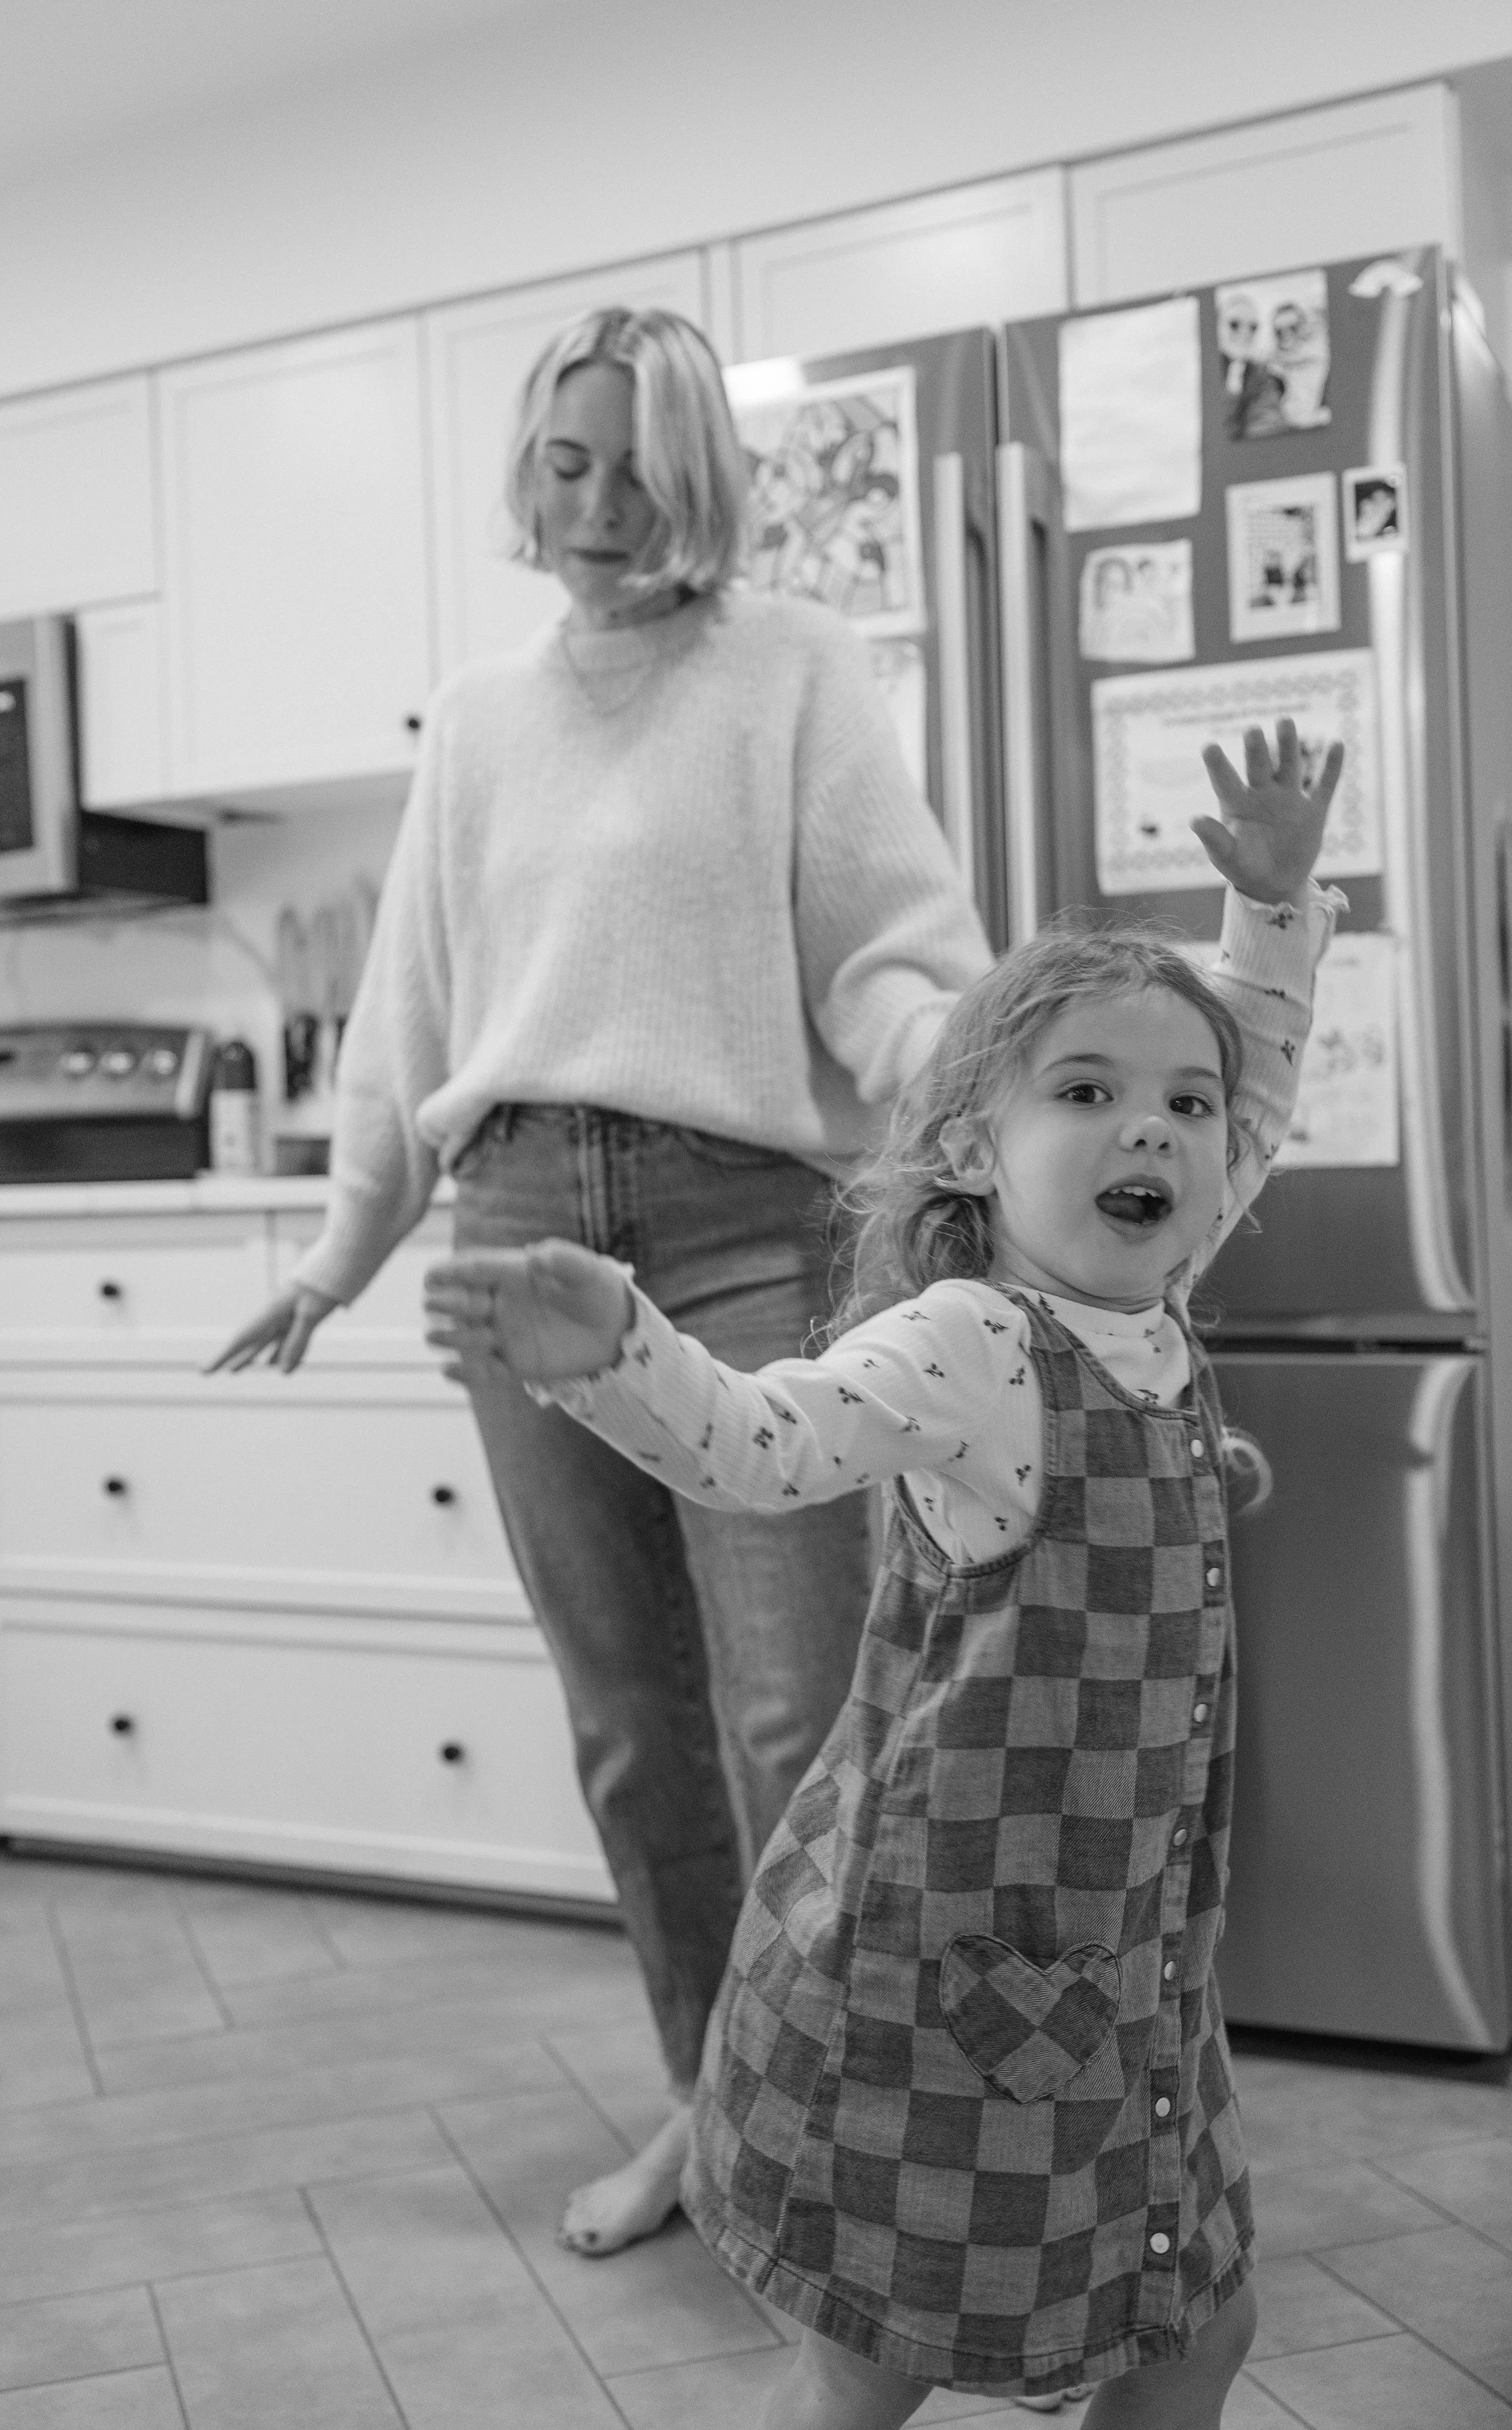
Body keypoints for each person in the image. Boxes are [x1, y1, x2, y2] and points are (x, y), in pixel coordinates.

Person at [423, 718, 1342, 2427]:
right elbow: (755, 1445)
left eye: (1182, 1106)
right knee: (874, 2359)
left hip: (1124, 1976)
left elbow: (1262, 1067)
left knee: (1191, 2328)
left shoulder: (1151, 1301)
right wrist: (612, 1342)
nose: (1151, 1130)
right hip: (941, 1980)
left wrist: (1270, 913)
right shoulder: (970, 1341)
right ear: (976, 1152)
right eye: (1085, 1093)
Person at [208, 304, 992, 2258]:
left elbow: (885, 950)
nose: (595, 499)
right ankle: (716, 2121)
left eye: (636, 459)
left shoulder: (792, 671)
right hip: (518, 1220)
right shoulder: (478, 721)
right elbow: (407, 1015)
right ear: (525, 472)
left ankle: (856, 2133)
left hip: (746, 1224)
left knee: (797, 1709)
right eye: (566, 458)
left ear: (700, 475)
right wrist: (337, 1243)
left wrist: (962, 1074)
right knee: (633, 1720)